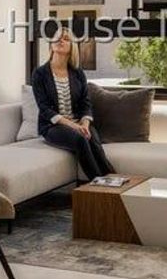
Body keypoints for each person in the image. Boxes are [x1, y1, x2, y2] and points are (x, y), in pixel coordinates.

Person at [31, 28, 115, 180]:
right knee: (80, 138)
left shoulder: (78, 73)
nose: (60, 40)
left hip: (79, 123)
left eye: (66, 38)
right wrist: (74, 126)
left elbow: (85, 102)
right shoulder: (40, 73)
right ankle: (98, 182)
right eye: (57, 37)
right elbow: (44, 108)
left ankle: (114, 179)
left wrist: (85, 124)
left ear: (72, 47)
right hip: (52, 127)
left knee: (93, 138)